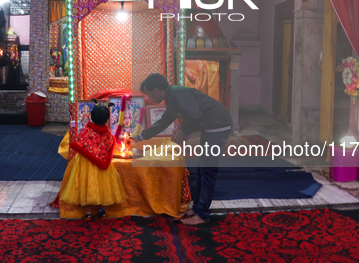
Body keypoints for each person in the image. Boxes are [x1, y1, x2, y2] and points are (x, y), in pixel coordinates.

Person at [131, 73, 233, 225]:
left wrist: (183, 131)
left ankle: (202, 215)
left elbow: (194, 115)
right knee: (200, 167)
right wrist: (140, 137)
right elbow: (165, 120)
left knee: (207, 169)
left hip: (218, 125)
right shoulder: (171, 97)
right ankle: (198, 208)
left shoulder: (177, 94)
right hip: (210, 126)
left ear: (157, 90)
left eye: (149, 94)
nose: (149, 98)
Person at [60, 103, 128, 219]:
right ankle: (102, 211)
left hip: (85, 166)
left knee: (87, 187)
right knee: (103, 188)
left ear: (90, 116)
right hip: (102, 170)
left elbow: (77, 145)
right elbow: (109, 153)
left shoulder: (85, 132)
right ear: (107, 120)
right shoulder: (109, 136)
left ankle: (88, 214)